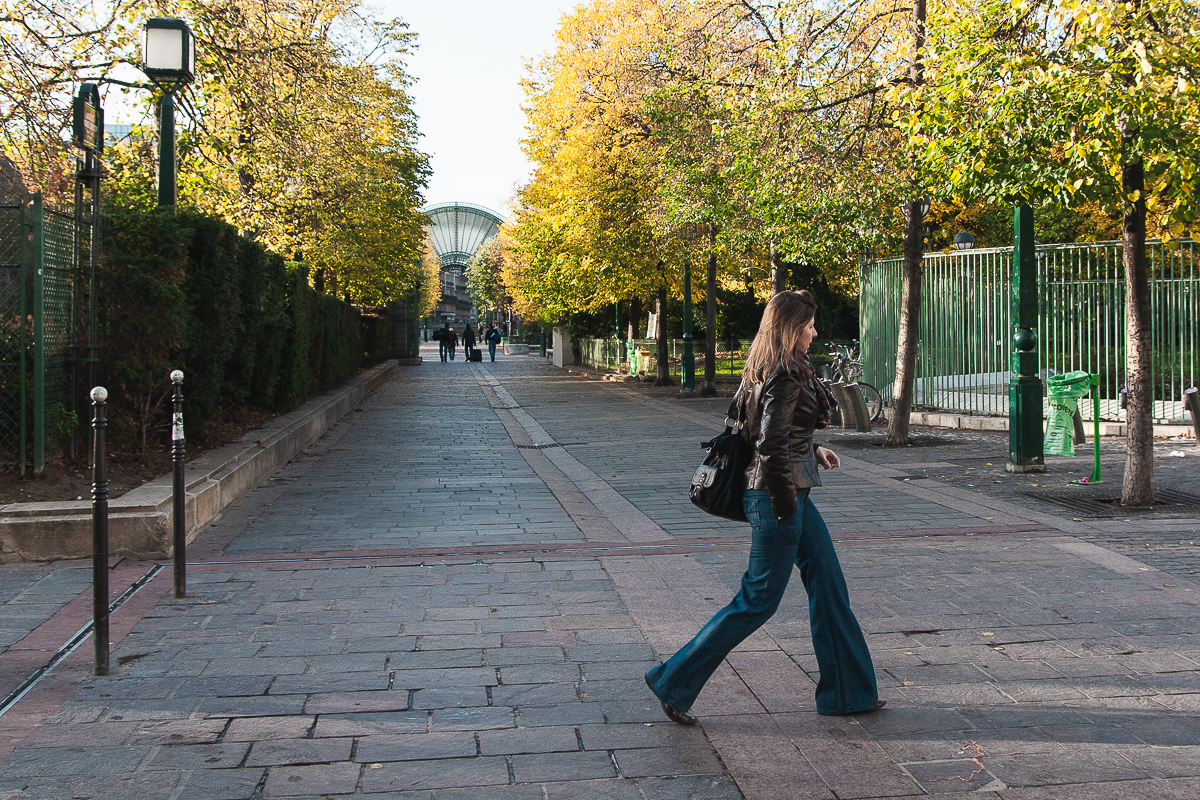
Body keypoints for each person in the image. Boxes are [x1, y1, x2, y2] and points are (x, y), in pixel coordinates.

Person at [645, 290, 881, 723]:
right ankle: (673, 681)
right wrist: (786, 506)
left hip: (788, 492)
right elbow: (770, 446)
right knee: (757, 601)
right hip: (779, 498)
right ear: (792, 328)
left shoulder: (765, 367)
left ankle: (849, 694)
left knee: (828, 583)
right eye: (809, 324)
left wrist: (813, 449)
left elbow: (767, 432)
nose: (815, 331)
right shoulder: (787, 371)